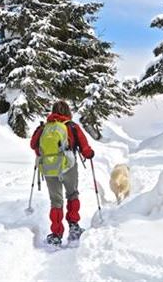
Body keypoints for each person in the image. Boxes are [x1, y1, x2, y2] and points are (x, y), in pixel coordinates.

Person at [30, 101, 95, 246]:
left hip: (49, 168)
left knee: (56, 201)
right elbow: (85, 147)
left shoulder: (44, 128)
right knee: (72, 194)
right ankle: (74, 227)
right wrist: (89, 153)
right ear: (68, 112)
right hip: (68, 166)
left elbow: (33, 145)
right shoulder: (72, 126)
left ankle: (56, 234)